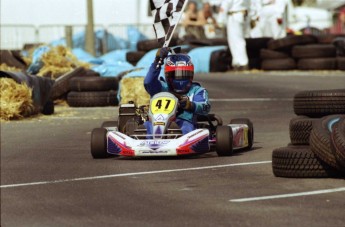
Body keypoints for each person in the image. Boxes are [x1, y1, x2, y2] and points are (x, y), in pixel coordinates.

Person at [144, 47, 211, 135]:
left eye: (184, 74)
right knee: (145, 126)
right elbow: (148, 82)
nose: (180, 78)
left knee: (186, 129)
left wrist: (190, 105)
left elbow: (205, 107)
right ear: (167, 75)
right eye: (175, 75)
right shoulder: (161, 88)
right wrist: (157, 61)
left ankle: (181, 143)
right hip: (156, 121)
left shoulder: (197, 91)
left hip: (183, 121)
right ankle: (142, 142)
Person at [218, 0, 249, 70]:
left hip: (234, 16)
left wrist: (221, 19)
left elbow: (226, 3)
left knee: (236, 40)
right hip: (242, 14)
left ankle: (242, 62)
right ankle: (237, 62)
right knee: (234, 40)